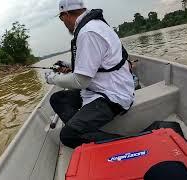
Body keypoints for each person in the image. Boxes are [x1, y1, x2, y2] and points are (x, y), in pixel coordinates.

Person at [44, 0, 135, 148]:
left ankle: (131, 145)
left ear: (66, 14)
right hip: (98, 89)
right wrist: (68, 65)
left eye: (61, 18)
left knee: (68, 136)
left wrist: (52, 79)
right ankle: (84, 129)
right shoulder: (93, 24)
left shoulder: (87, 32)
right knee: (57, 98)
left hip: (112, 96)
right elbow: (95, 64)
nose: (63, 22)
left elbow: (81, 81)